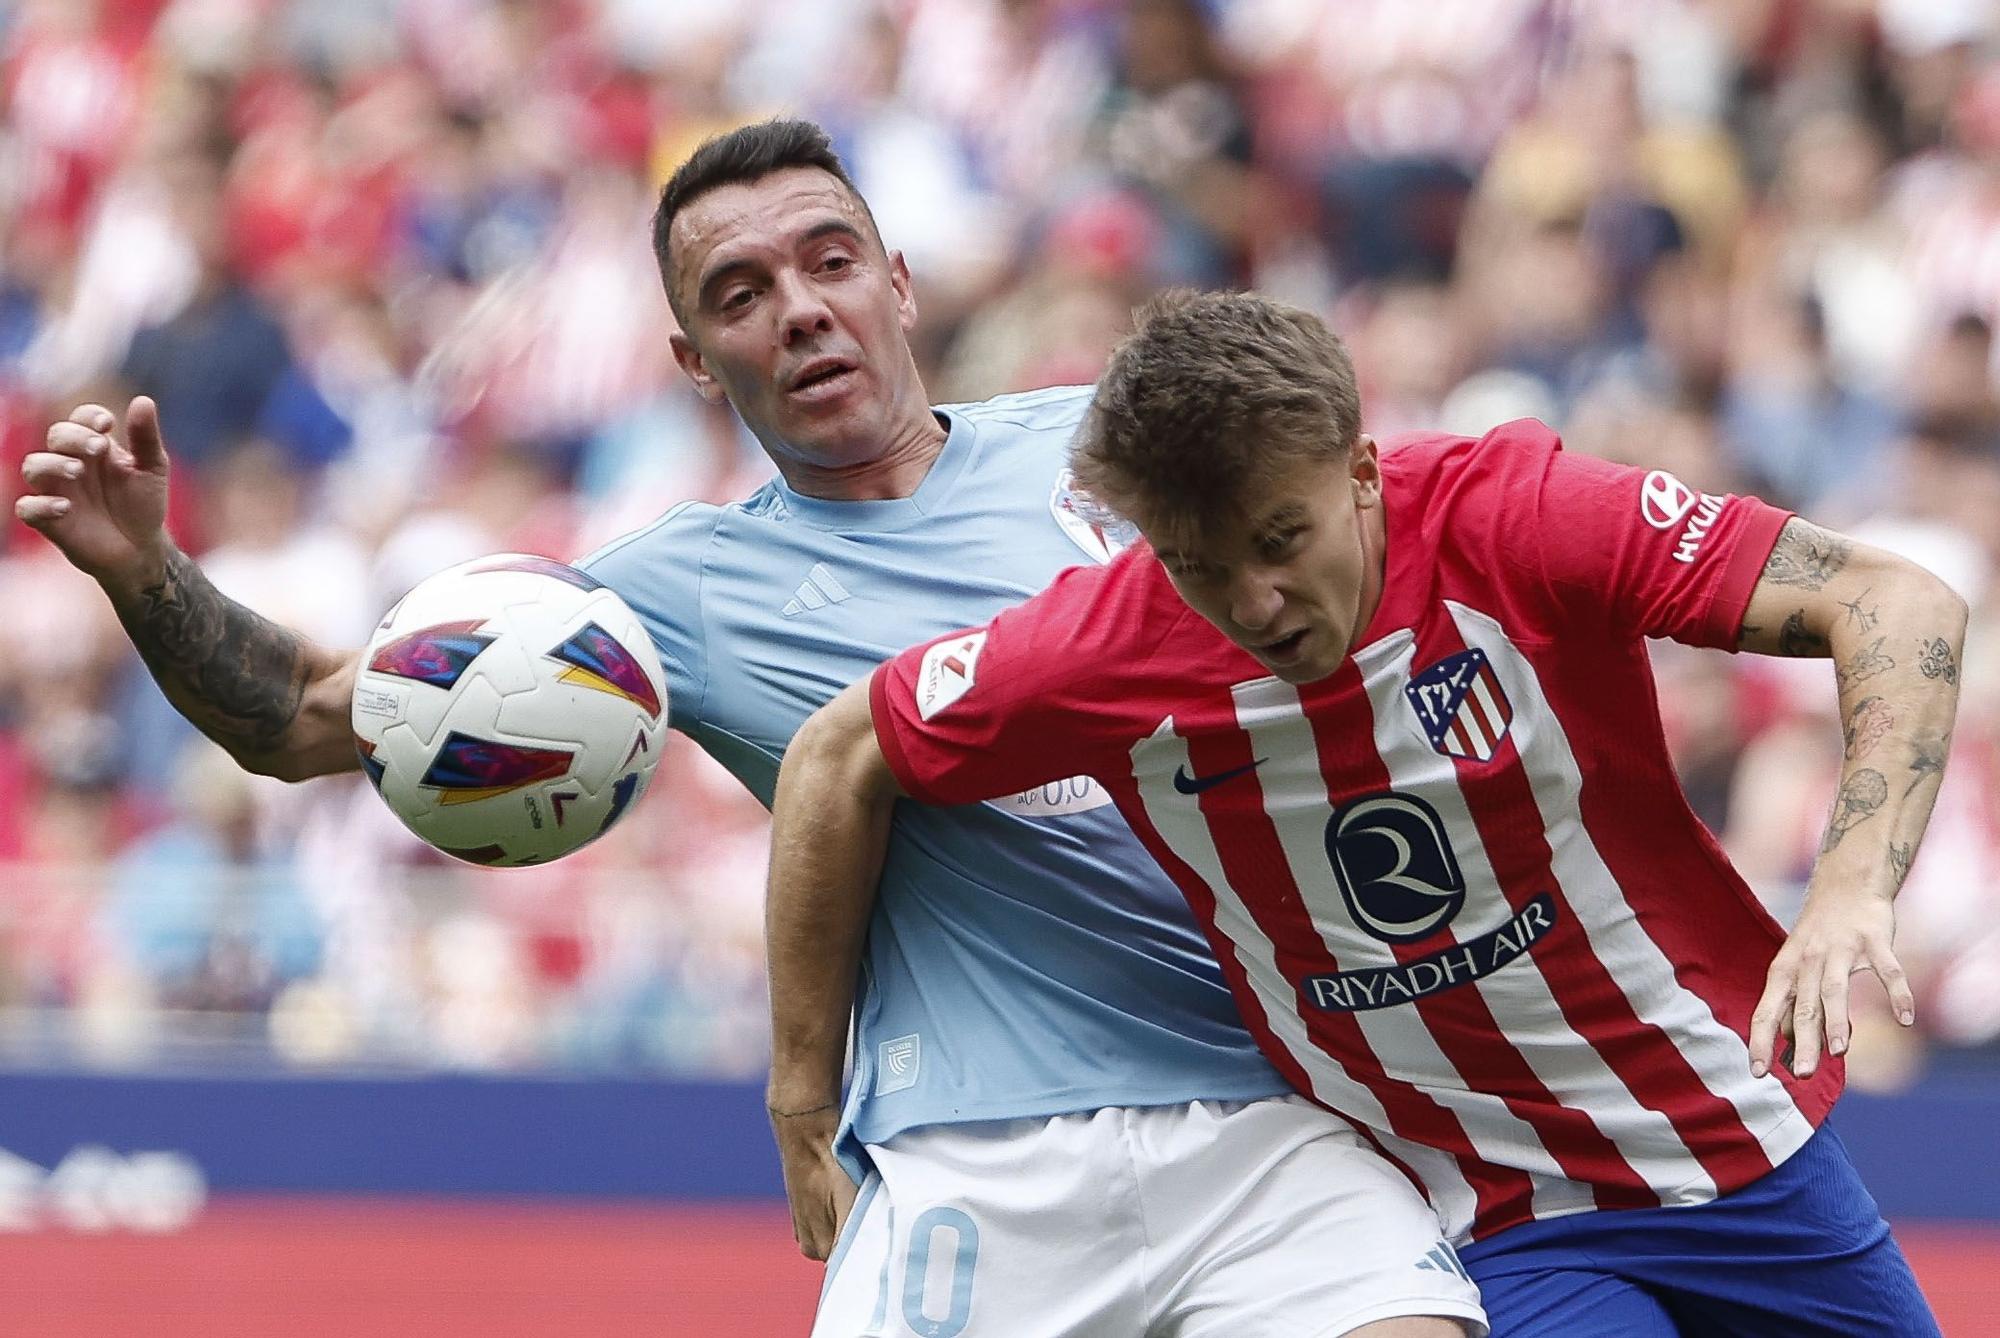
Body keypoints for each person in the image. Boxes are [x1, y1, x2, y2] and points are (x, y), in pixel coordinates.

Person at [16, 123, 1484, 1338]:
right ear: (694, 364)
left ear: (900, 287)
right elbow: (302, 719)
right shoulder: (677, 591)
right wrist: (145, 567)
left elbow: (1400, 543)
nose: (797, 306)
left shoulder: (1112, 452)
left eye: (829, 261)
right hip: (972, 1168)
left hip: (1269, 1113)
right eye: (739, 293)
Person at [775, 288, 1963, 1336]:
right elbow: (837, 755)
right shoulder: (1103, 649)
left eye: (1279, 540)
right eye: (1197, 563)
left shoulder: (1512, 516)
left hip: (1733, 1146)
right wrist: (802, 1098)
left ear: (1358, 469)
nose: (1253, 600)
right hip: (1493, 1215)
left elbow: (1892, 598)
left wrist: (1850, 885)